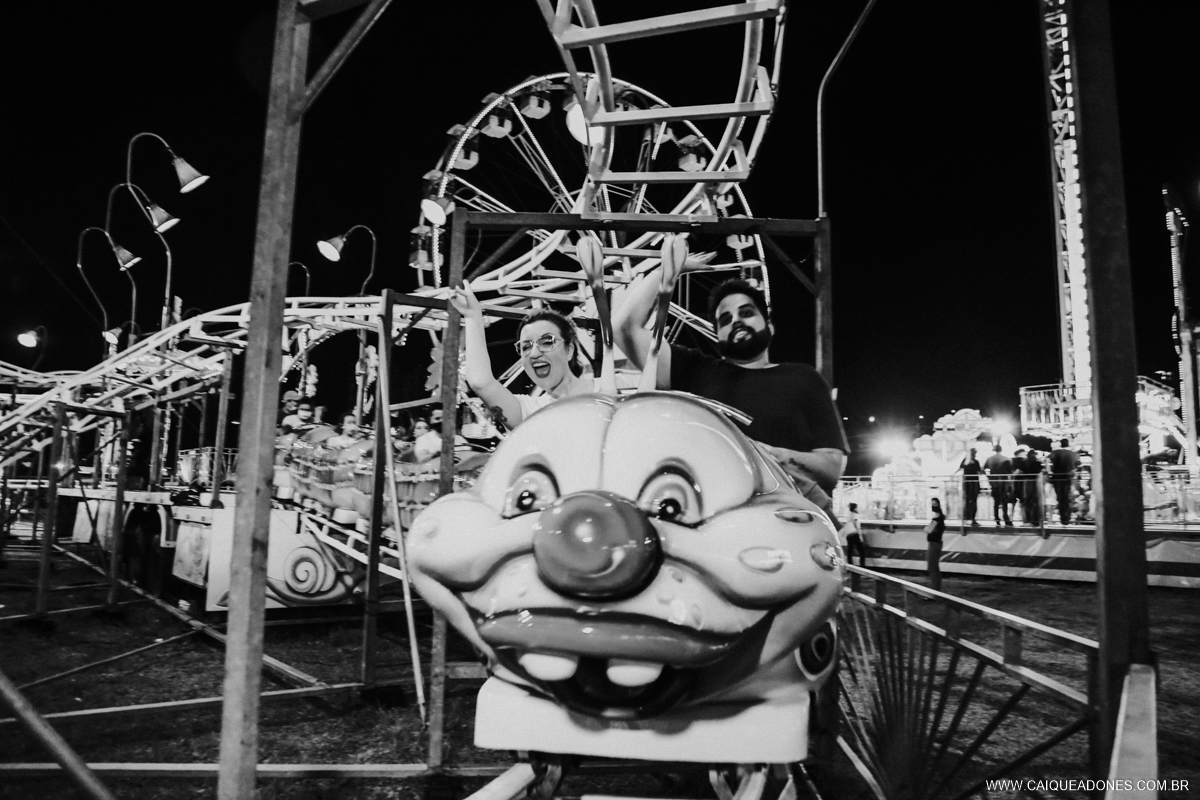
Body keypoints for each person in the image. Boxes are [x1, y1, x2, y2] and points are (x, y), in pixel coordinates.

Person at [613, 271, 848, 522]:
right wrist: (670, 269)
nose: (736, 321)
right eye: (725, 320)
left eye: (746, 313)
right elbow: (624, 328)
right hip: (718, 526)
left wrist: (770, 456)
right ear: (718, 336)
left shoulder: (805, 378)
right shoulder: (695, 370)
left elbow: (831, 468)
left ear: (769, 325)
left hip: (792, 522)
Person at [450, 285, 598, 430]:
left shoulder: (606, 388)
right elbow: (481, 383)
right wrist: (473, 317)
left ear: (569, 350)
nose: (534, 354)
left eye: (547, 342)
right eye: (526, 347)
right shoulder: (530, 412)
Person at [1049, 438, 1079, 524]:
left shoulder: (1055, 452)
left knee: (1060, 497)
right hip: (1068, 477)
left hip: (1057, 477)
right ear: (1068, 444)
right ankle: (1067, 517)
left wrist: (1049, 471)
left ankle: (1063, 517)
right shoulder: (1074, 454)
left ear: (1060, 444)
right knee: (1067, 497)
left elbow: (1047, 459)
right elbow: (1077, 465)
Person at [984, 444, 1013, 526]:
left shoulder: (990, 459)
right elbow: (1010, 471)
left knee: (996, 501)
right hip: (1004, 482)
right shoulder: (1006, 459)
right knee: (1004, 501)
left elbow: (983, 469)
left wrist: (989, 477)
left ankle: (997, 518)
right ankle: (1006, 517)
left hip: (994, 482)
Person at [956, 448, 982, 526]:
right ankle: (972, 518)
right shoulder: (976, 462)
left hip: (967, 484)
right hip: (974, 484)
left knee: (967, 501)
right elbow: (979, 472)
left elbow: (960, 469)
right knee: (973, 501)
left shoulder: (965, 461)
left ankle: (966, 518)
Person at [926, 498, 946, 592]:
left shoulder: (937, 519)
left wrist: (926, 528)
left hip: (934, 544)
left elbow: (929, 530)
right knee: (934, 568)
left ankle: (935, 590)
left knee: (932, 568)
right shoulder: (940, 518)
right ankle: (936, 590)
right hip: (936, 544)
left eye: (934, 504)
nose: (933, 506)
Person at [840, 502, 867, 568]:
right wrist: (860, 536)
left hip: (849, 535)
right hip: (855, 534)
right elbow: (856, 525)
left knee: (850, 551)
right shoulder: (855, 515)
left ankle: (850, 567)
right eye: (857, 507)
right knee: (861, 552)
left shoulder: (849, 515)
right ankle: (862, 566)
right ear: (855, 508)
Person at [1021, 448, 1042, 525]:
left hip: (1026, 482)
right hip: (1036, 481)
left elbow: (1021, 471)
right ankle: (1036, 520)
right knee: (1036, 500)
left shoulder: (1024, 462)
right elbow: (1041, 471)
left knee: (1027, 500)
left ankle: (1028, 519)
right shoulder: (1038, 463)